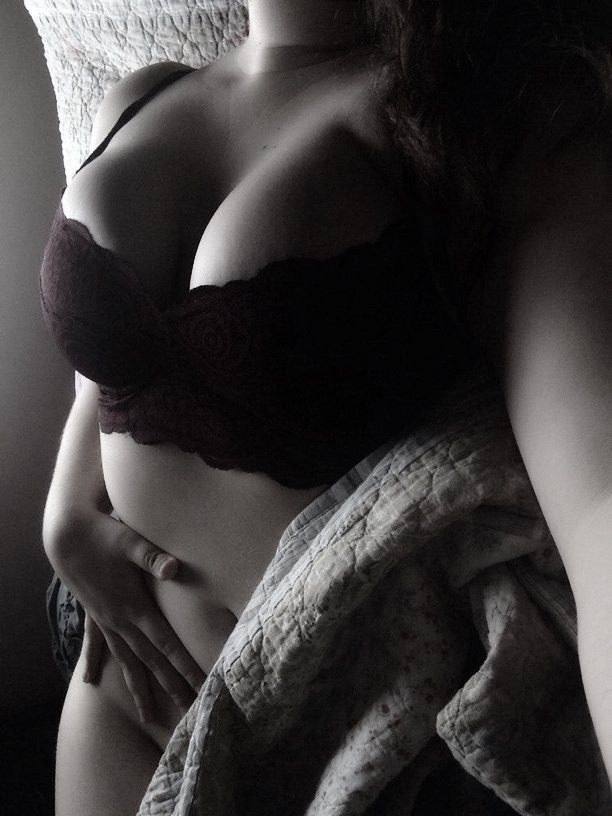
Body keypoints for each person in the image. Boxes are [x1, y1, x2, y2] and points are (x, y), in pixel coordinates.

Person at [39, 0, 612, 814]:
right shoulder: (139, 97)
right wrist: (66, 503)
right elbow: (109, 363)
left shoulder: (490, 116)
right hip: (124, 691)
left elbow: (599, 506)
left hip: (340, 742)